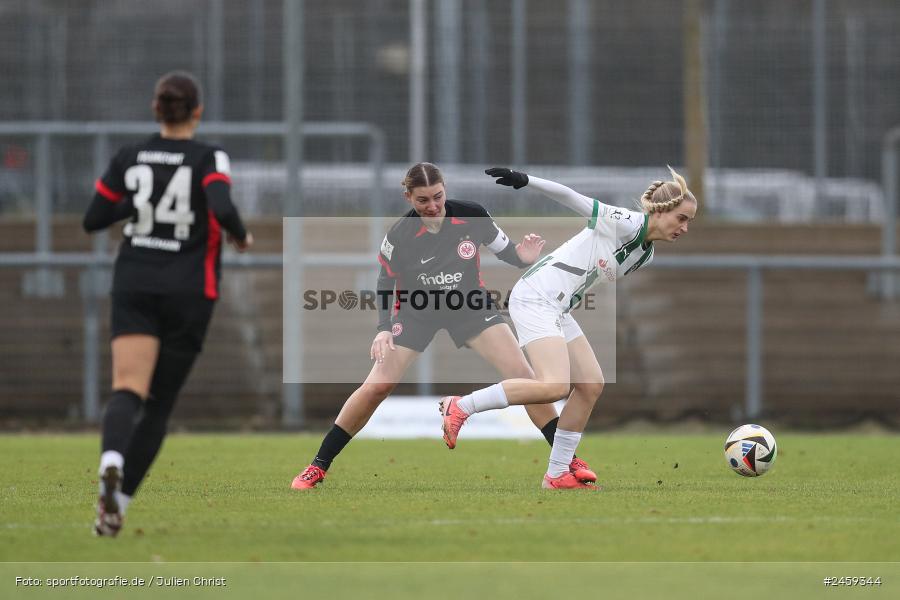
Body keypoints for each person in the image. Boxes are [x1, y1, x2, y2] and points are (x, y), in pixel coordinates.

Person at [291, 162, 597, 489]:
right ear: (408, 197)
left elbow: (508, 252)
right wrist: (383, 327)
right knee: (378, 386)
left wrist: (523, 256)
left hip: (469, 306)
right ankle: (317, 466)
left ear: (445, 189)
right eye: (423, 200)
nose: (433, 206)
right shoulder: (399, 234)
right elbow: (385, 281)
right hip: (416, 310)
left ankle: (566, 460)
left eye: (438, 196)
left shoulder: (472, 215)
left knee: (523, 377)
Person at [440, 166, 698, 490]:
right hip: (537, 296)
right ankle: (461, 406)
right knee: (555, 386)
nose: (685, 228)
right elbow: (571, 197)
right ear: (661, 212)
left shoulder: (645, 255)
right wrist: (526, 180)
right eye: (682, 218)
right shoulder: (625, 222)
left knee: (590, 384)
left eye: (689, 221)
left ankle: (557, 473)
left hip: (558, 306)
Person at [83, 71, 253, 535]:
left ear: (156, 110)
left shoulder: (129, 155)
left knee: (126, 389)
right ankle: (117, 502)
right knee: (157, 407)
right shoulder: (209, 156)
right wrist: (240, 235)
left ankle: (111, 459)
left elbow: (94, 218)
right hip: (189, 289)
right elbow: (220, 206)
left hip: (135, 280)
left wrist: (140, 201)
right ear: (196, 111)